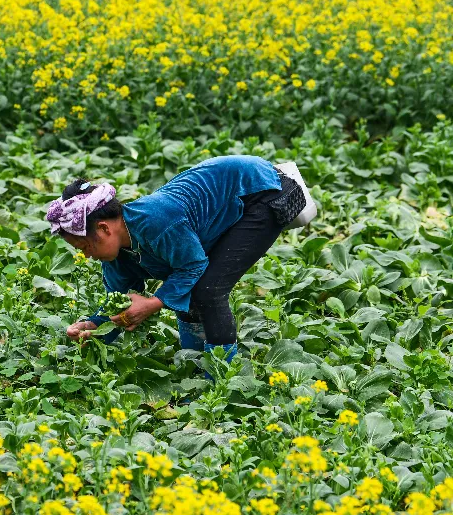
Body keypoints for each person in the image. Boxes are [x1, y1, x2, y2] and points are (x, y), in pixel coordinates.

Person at [45, 155, 309, 362]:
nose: (86, 255)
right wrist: (93, 326)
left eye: (84, 246)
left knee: (208, 289)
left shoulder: (156, 221)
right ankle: (193, 364)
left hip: (262, 191)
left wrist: (152, 303)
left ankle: (221, 379)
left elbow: (193, 265)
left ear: (103, 229)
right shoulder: (116, 257)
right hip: (232, 200)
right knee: (191, 286)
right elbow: (120, 305)